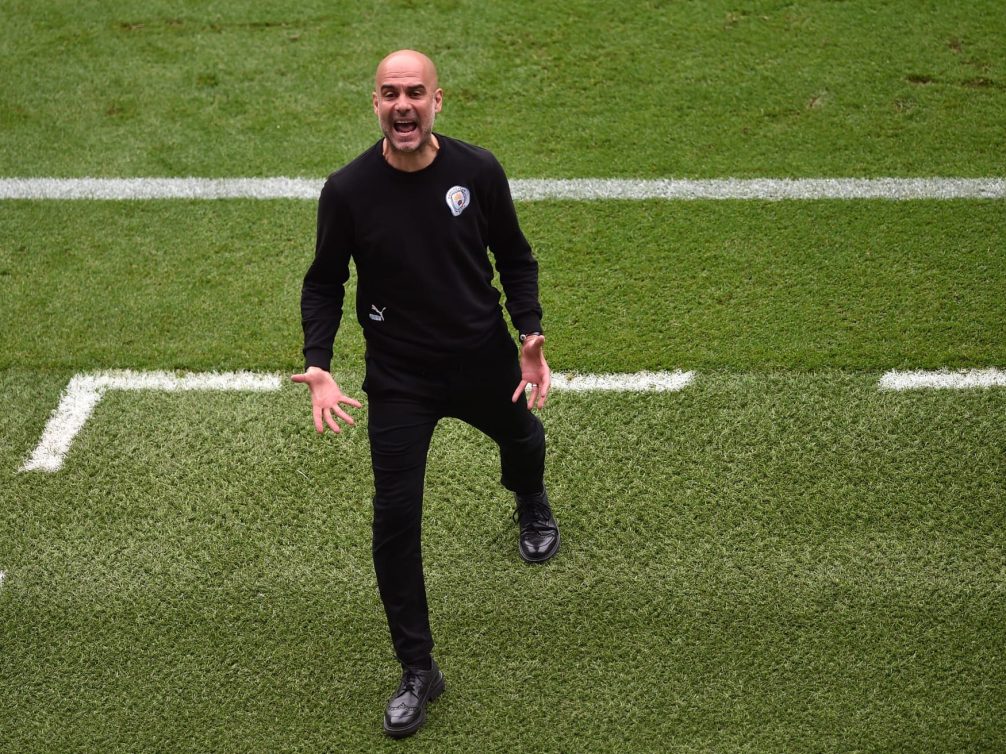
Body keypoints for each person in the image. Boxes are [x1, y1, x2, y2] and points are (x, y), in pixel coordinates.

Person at [291, 49, 560, 739]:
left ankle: (529, 498)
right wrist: (317, 361)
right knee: (394, 522)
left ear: (439, 100)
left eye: (415, 92)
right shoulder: (348, 190)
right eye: (390, 93)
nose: (402, 105)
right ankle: (418, 669)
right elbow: (324, 281)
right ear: (374, 104)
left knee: (525, 441)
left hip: (481, 357)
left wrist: (529, 332)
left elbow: (515, 255)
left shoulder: (477, 171)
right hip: (400, 378)